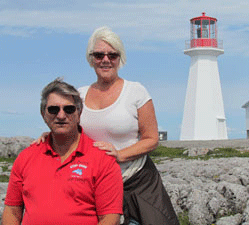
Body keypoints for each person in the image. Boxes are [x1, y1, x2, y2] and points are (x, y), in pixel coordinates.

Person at [35, 26, 180, 225]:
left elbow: (151, 139)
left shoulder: (136, 92)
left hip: (137, 181)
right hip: (93, 184)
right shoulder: (80, 95)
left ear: (120, 58)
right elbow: (67, 126)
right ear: (91, 58)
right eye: (99, 54)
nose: (105, 60)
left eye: (112, 55)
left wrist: (120, 155)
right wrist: (49, 136)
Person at [2, 78, 123, 225]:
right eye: (53, 109)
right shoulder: (26, 157)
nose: (61, 115)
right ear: (43, 114)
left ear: (79, 113)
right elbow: (12, 212)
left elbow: (110, 218)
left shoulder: (103, 160)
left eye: (69, 109)